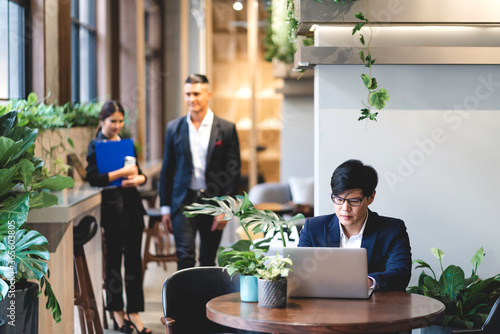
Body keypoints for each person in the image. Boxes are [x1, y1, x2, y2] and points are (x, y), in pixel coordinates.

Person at [159, 74, 241, 270]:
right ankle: (184, 302)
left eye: (196, 93)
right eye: (187, 94)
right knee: (185, 257)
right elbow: (167, 169)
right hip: (183, 201)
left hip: (213, 201)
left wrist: (226, 208)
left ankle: (205, 301)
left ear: (208, 94)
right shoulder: (174, 128)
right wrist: (164, 207)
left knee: (207, 260)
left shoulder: (227, 129)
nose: (191, 99)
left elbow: (233, 170)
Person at [86, 101, 152, 334]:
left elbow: (141, 174)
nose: (117, 125)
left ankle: (133, 312)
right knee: (114, 264)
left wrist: (136, 180)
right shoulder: (96, 146)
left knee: (134, 262)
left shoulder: (125, 144)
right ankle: (117, 313)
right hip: (113, 212)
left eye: (120, 121)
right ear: (102, 121)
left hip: (133, 208)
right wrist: (121, 173)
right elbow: (93, 178)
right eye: (112, 121)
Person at [298, 159, 411, 292]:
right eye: (339, 200)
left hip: (375, 310)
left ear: (371, 197)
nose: (345, 208)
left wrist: (367, 282)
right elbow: (299, 273)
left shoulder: (392, 230)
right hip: (322, 308)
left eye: (354, 201)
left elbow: (400, 275)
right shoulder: (313, 228)